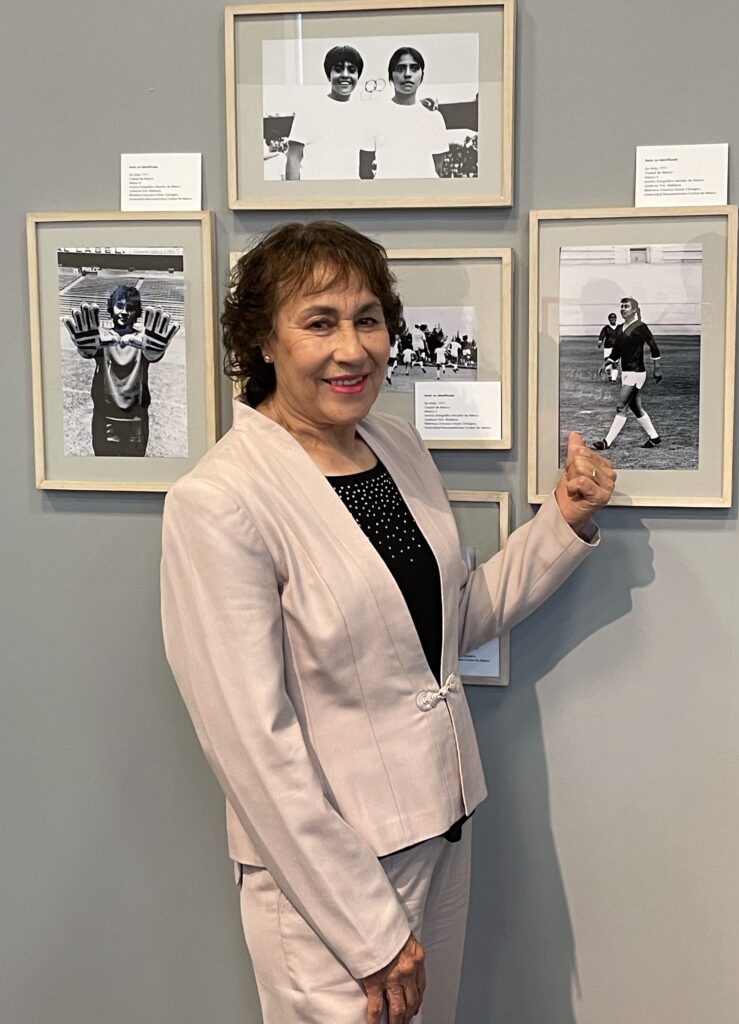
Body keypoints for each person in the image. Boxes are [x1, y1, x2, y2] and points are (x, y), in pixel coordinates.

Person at [160, 221, 615, 1024]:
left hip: (442, 830)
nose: (353, 348)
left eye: (368, 319)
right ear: (263, 340)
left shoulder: (396, 448)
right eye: (320, 321)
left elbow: (450, 619)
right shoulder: (220, 501)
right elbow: (251, 747)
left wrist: (560, 524)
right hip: (332, 885)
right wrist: (368, 930)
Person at [62, 286, 179, 457]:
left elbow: (152, 355)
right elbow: (89, 351)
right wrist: (84, 349)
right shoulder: (101, 339)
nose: (124, 312)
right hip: (104, 419)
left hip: (136, 421)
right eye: (120, 305)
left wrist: (156, 353)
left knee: (134, 474)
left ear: (137, 312)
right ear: (111, 308)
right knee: (104, 472)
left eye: (130, 308)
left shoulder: (145, 341)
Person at [360, 47, 450, 179]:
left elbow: (438, 169)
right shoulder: (374, 116)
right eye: (400, 69)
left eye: (414, 68)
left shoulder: (433, 117)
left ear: (422, 76)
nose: (408, 74)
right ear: (391, 75)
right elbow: (364, 170)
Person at [286, 45, 368, 181]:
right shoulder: (310, 109)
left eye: (352, 70)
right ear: (328, 75)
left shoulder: (362, 111)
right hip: (315, 193)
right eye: (338, 70)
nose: (345, 75)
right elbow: (293, 158)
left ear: (358, 75)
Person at [592, 296, 662, 451]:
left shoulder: (641, 327)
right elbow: (618, 350)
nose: (623, 309)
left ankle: (607, 442)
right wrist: (608, 363)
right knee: (636, 408)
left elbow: (654, 347)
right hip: (626, 372)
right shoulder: (620, 328)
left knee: (621, 407)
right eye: (621, 306)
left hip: (637, 373)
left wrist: (658, 368)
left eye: (626, 306)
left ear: (635, 310)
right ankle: (655, 438)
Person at [597, 311, 619, 381]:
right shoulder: (606, 328)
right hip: (607, 348)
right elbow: (602, 335)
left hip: (616, 348)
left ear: (616, 319)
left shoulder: (619, 328)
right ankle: (609, 376)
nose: (613, 319)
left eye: (614, 317)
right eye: (611, 318)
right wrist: (600, 341)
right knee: (608, 363)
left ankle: (614, 379)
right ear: (609, 319)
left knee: (615, 364)